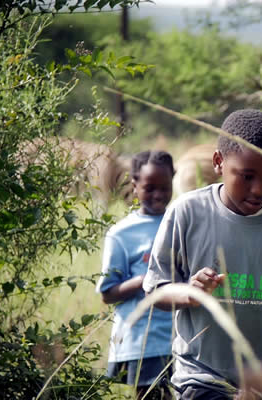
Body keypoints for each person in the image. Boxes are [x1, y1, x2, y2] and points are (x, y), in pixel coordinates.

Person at [143, 109, 262, 399]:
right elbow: (156, 292)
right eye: (247, 176)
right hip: (205, 379)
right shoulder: (187, 213)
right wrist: (190, 292)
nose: (259, 189)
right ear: (218, 162)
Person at [96, 150, 176, 400]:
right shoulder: (121, 234)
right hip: (143, 342)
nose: (158, 195)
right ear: (134, 185)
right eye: (150, 188)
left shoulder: (180, 223)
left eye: (165, 187)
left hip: (180, 339)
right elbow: (108, 294)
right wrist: (145, 281)